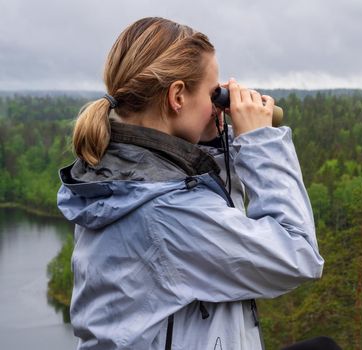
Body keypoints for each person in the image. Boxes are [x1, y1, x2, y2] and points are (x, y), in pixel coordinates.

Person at [58, 17, 330, 350]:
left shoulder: (125, 174)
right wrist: (260, 142)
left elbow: (218, 217)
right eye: (212, 93)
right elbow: (298, 254)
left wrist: (214, 146)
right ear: (177, 97)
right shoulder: (164, 211)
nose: (217, 104)